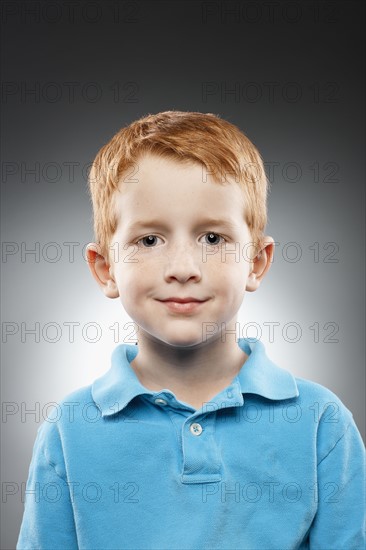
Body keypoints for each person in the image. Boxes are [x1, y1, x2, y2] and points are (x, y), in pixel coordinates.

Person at [17, 111, 365, 549]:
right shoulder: (70, 428)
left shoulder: (321, 423)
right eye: (149, 240)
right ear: (105, 269)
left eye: (213, 239)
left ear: (256, 262)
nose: (183, 268)